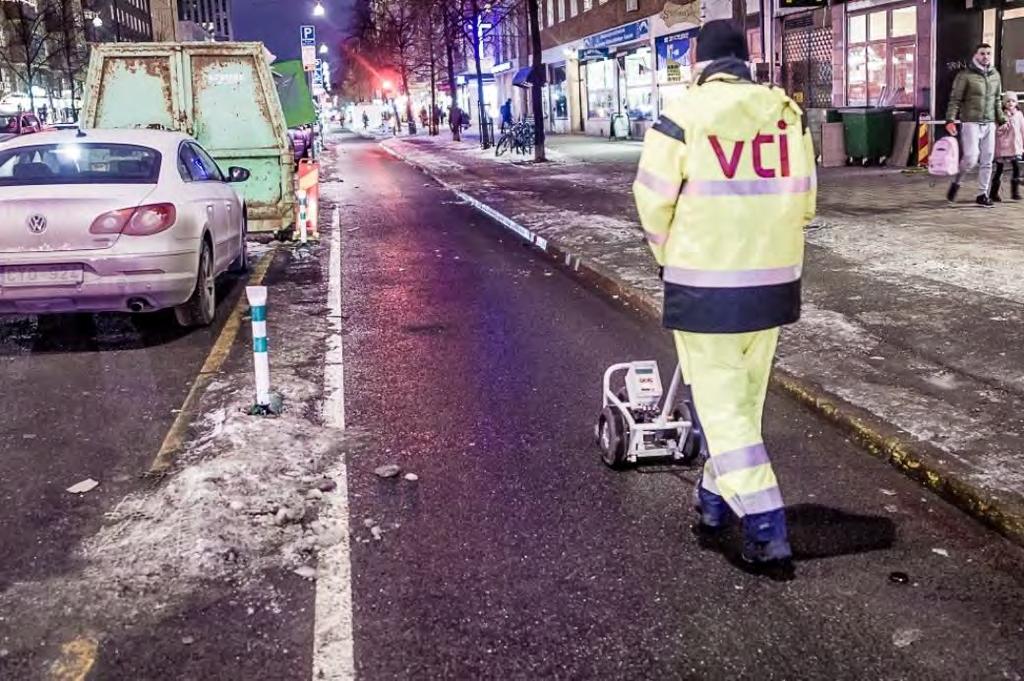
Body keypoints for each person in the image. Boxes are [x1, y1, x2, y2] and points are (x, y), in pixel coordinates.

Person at [632, 19, 816, 575]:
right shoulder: (788, 115)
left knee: (723, 411)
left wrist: (667, 256)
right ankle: (712, 504)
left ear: (700, 62)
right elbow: (806, 203)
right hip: (773, 284)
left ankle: (765, 526)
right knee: (738, 407)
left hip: (707, 285)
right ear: (745, 59)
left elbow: (652, 201)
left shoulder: (683, 115)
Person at [945, 43, 1005, 207]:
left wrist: (1002, 120)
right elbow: (955, 100)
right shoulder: (965, 75)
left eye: (988, 53)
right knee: (971, 158)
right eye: (982, 53)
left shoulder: (995, 76)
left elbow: (997, 100)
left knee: (987, 160)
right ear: (975, 55)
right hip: (971, 121)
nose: (986, 56)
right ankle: (957, 181)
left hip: (989, 123)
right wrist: (950, 120)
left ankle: (982, 194)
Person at [991, 91, 1024, 201]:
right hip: (1003, 146)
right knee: (999, 169)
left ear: (1016, 103)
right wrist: (1005, 123)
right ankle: (993, 193)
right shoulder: (1001, 115)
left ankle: (1015, 192)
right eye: (1008, 101)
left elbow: (1022, 130)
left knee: (1016, 168)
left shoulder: (1019, 115)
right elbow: (997, 131)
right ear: (1004, 103)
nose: (1010, 103)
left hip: (1015, 146)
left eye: (1013, 101)